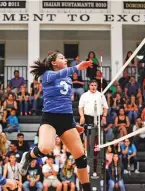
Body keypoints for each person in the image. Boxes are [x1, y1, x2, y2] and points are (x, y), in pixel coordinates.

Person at [18, 51, 92, 191]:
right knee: (45, 148)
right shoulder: (48, 75)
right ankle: (28, 156)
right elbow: (59, 74)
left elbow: (66, 103)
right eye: (62, 58)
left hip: (67, 119)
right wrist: (77, 67)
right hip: (50, 118)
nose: (65, 60)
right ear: (53, 63)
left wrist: (73, 124)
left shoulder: (68, 78)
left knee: (81, 157)